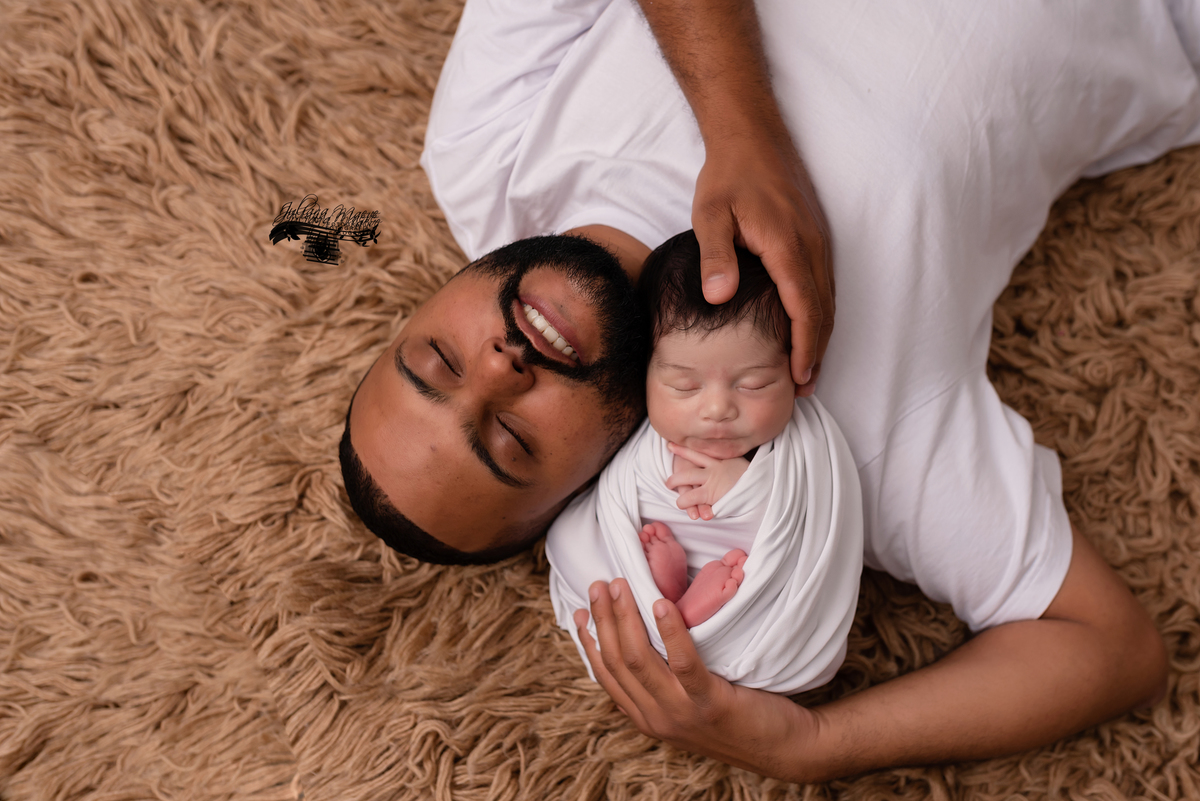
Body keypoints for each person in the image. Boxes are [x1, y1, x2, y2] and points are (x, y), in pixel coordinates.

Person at [343, 0, 1200, 782]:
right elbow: (1113, 648)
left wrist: (744, 132)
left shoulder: (487, 148)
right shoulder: (838, 447)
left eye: (436, 361)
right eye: (510, 440)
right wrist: (811, 746)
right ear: (581, 492)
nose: (498, 365)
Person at [545, 230, 863, 694]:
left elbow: (817, 516)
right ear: (646, 373)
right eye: (683, 387)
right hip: (642, 552)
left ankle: (683, 619)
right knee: (573, 540)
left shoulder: (806, 447)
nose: (717, 410)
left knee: (745, 583)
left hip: (752, 598)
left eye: (753, 384)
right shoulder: (639, 437)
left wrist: (748, 486)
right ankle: (663, 603)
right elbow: (616, 497)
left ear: (797, 370)